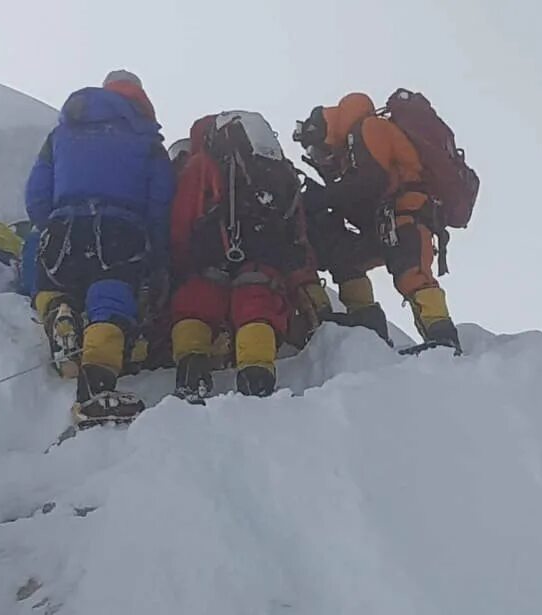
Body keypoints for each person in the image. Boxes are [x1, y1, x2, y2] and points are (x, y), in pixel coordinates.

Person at [25, 70, 175, 423]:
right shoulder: (146, 139)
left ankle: (58, 312)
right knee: (110, 300)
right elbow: (162, 200)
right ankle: (96, 387)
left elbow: (36, 193)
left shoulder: (62, 133)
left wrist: (49, 226)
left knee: (56, 283)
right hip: (120, 230)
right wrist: (156, 249)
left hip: (63, 227)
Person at [170, 112, 330, 399]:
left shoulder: (202, 162)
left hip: (212, 252)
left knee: (196, 306)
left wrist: (180, 261)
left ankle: (192, 375)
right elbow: (296, 226)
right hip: (265, 253)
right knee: (256, 305)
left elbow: (183, 217)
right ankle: (256, 378)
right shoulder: (277, 168)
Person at [294, 92, 461, 350]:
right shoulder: (351, 149)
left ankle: (442, 336)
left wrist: (324, 197)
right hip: (388, 219)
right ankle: (366, 329)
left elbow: (372, 180)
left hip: (406, 213)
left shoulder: (367, 128)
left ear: (323, 130)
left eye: (315, 148)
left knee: (412, 275)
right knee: (346, 259)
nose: (319, 157)